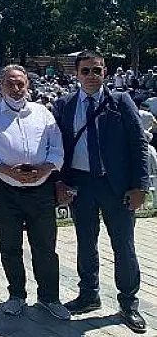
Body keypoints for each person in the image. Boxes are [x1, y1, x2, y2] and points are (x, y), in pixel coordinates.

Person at [54, 51, 149, 333]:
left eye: (97, 70)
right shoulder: (65, 105)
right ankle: (88, 294)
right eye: (86, 71)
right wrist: (60, 182)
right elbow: (59, 148)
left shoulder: (121, 101)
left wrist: (140, 186)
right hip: (81, 185)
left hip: (115, 185)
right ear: (77, 74)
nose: (92, 76)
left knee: (124, 246)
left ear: (105, 72)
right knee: (86, 242)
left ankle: (129, 303)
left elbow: (138, 144)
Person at [0, 65, 69, 320]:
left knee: (45, 247)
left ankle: (49, 297)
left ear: (27, 84)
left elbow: (56, 147)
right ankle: (16, 295)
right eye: (10, 84)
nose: (16, 89)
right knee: (10, 245)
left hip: (41, 188)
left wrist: (46, 169)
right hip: (6, 188)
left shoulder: (42, 113)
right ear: (0, 85)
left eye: (20, 84)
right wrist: (7, 170)